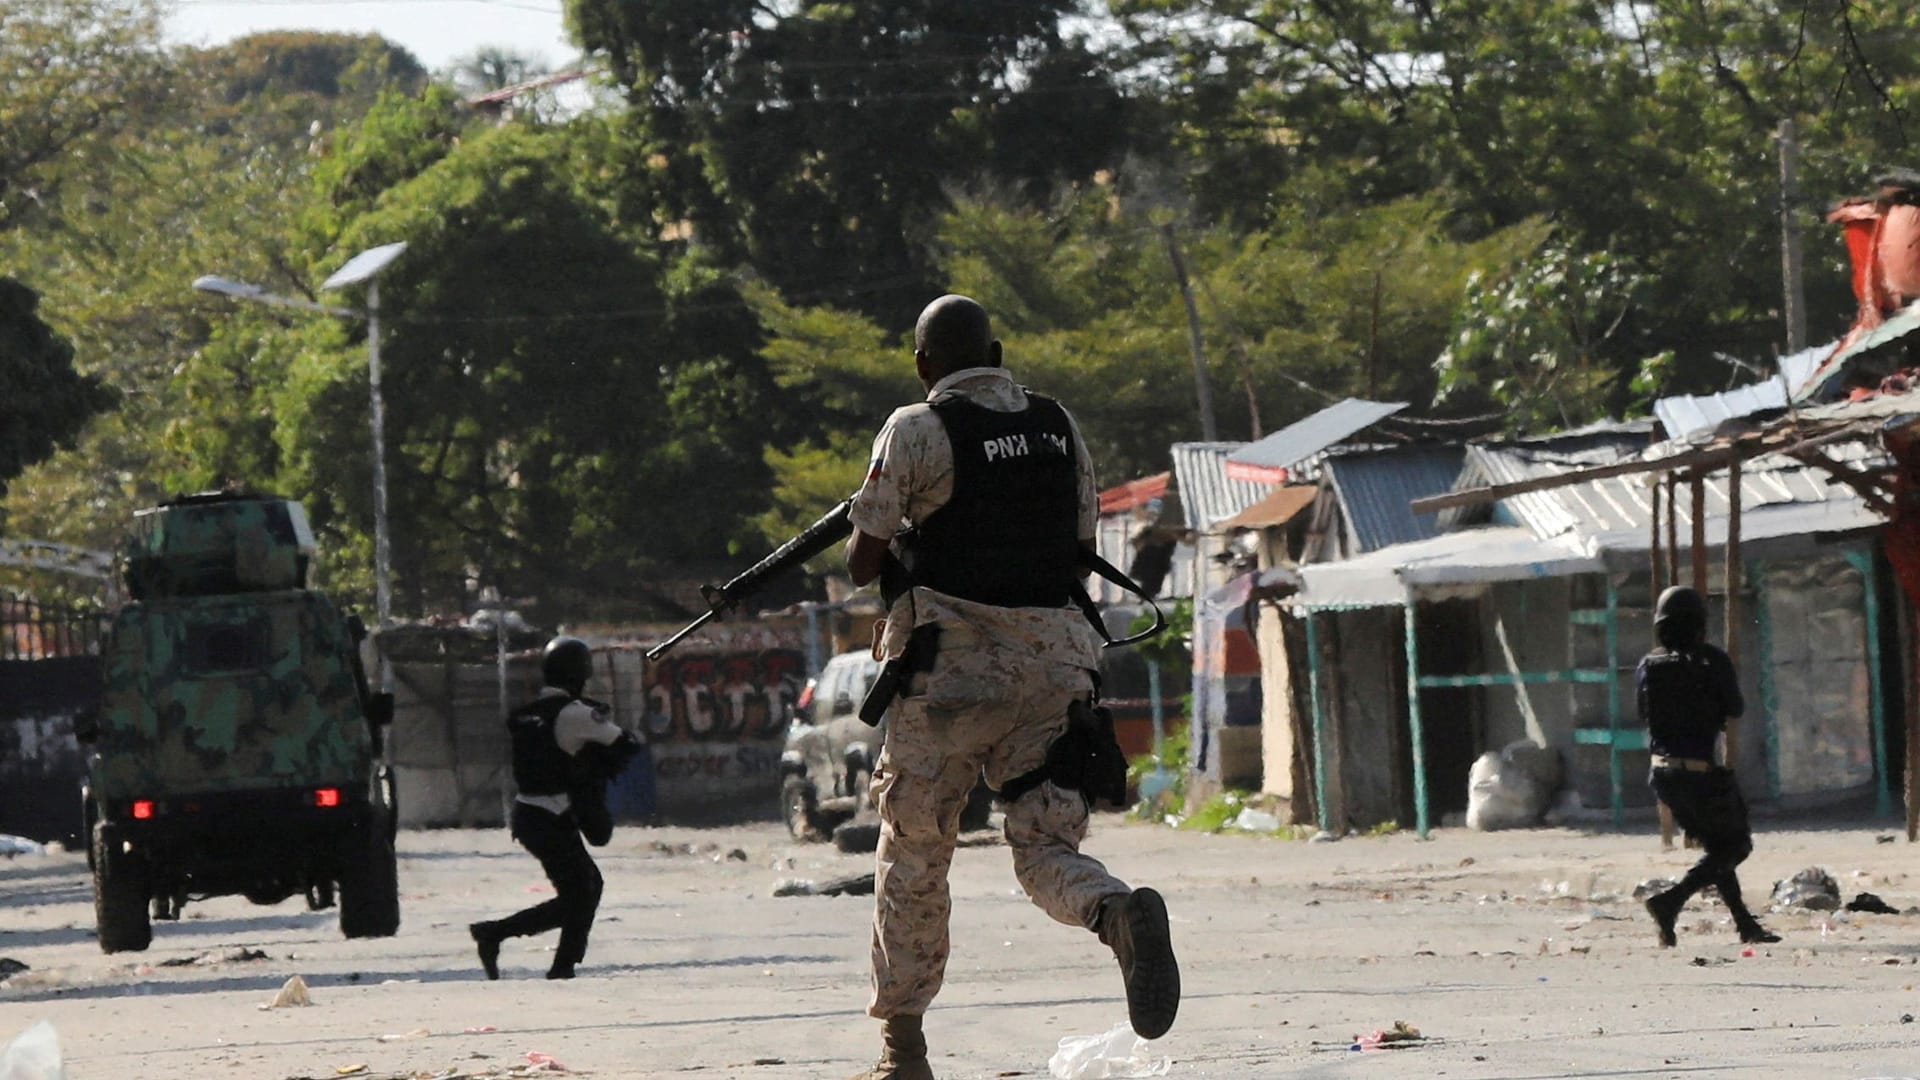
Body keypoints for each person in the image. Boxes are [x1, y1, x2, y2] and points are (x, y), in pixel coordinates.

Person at [841, 295, 1179, 1080]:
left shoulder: (914, 428)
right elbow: (1080, 539)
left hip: (950, 676)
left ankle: (904, 1050)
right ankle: (1114, 912)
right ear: (997, 350)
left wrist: (904, 531)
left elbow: (865, 562)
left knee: (917, 857)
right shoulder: (1058, 424)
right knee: (1045, 844)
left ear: (924, 365)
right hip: (1058, 669)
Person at [470, 635, 639, 980]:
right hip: (551, 817)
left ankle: (560, 962)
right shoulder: (575, 714)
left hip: (531, 815)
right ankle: (497, 934)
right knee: (581, 893)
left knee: (587, 886)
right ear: (579, 674)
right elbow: (626, 744)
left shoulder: (530, 714)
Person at [1638, 586, 1780, 948]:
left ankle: (1745, 924)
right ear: (1700, 624)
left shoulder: (1649, 665)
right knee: (1735, 846)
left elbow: (1643, 714)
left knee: (1718, 846)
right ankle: (1670, 900)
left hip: (1663, 774)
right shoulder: (1711, 660)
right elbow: (1735, 708)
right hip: (1698, 772)